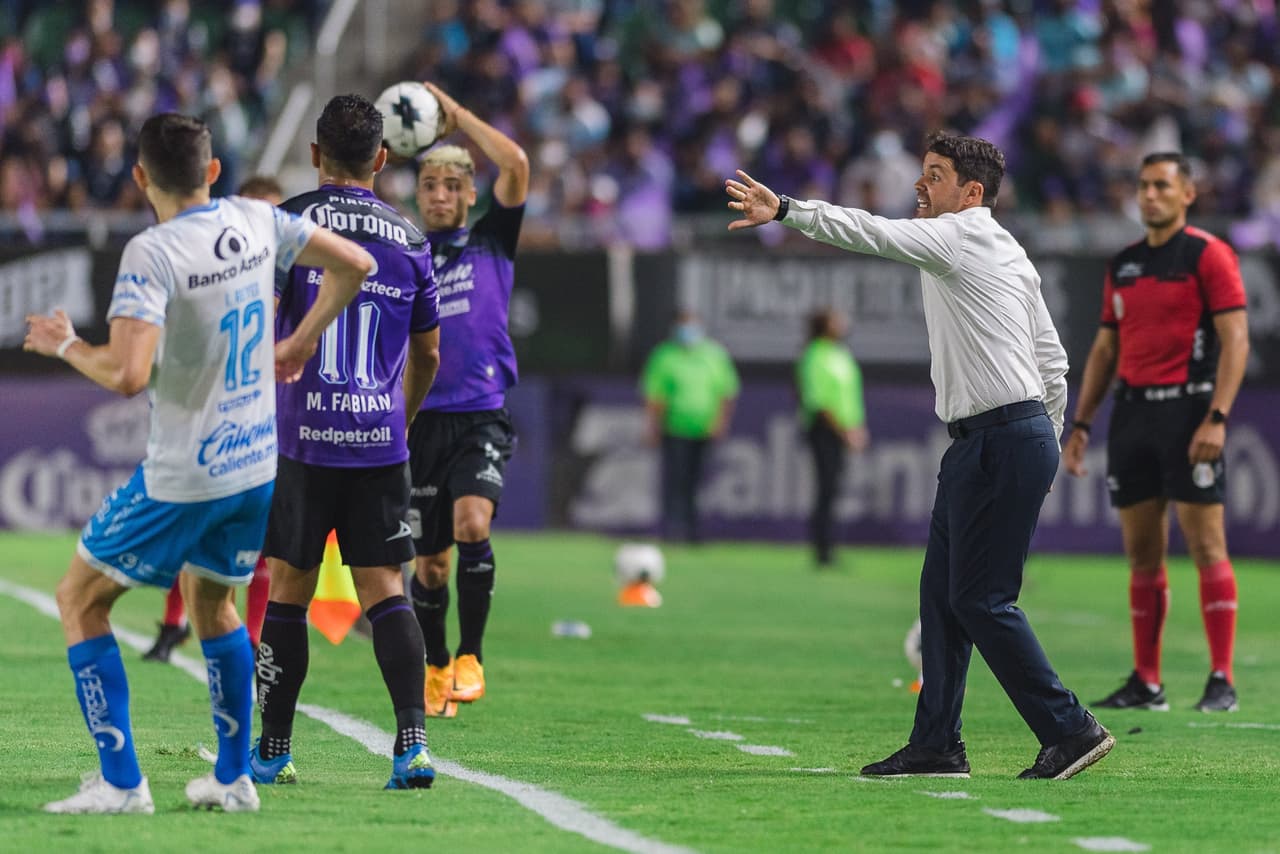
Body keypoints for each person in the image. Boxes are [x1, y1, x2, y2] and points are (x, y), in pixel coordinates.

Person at [725, 132, 1114, 780]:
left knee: (982, 601)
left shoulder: (960, 236)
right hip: (992, 441)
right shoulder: (1012, 252)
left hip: (996, 439)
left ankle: (1069, 728)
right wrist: (1045, 438)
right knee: (941, 598)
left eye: (932, 176)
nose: (918, 187)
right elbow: (1053, 361)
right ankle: (936, 744)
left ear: (970, 193)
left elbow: (872, 234)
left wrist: (790, 211)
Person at [25, 112, 372, 813]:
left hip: (186, 472)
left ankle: (122, 785)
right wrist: (301, 340)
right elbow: (357, 264)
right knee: (214, 605)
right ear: (214, 172)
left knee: (79, 599)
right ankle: (234, 777)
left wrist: (64, 345)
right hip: (253, 468)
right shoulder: (255, 217)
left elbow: (128, 375)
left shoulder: (152, 253)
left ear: (140, 178)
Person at [250, 94, 442, 789]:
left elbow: (264, 323)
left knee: (290, 594)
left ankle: (273, 751)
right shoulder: (412, 239)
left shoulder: (289, 223)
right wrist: (404, 417)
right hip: (378, 440)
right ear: (382, 159)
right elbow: (428, 355)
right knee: (386, 589)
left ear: (313, 155)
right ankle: (413, 744)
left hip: (304, 438)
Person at [1064, 152, 1249, 713]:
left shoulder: (1208, 256)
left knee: (1206, 545)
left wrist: (1217, 416)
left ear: (1187, 194)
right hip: (1133, 416)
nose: (1150, 195)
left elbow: (1236, 340)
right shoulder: (1122, 264)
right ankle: (1148, 682)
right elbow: (1104, 349)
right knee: (1142, 554)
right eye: (1143, 186)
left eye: (1162, 186)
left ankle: (1222, 679)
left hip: (1189, 412)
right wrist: (1082, 423)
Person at [405, 81, 529, 720]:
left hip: (481, 411)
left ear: (469, 194)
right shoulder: (403, 255)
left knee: (472, 525)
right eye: (431, 186)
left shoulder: (490, 241)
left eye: (454, 186)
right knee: (428, 567)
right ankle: (435, 665)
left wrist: (456, 117)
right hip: (420, 423)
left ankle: (472, 656)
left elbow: (517, 165)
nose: (442, 196)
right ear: (419, 194)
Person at [142, 174, 287, 665]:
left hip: (267, 421)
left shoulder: (292, 277)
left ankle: (251, 635)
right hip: (208, 418)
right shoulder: (207, 270)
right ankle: (176, 622)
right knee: (195, 528)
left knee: (262, 543)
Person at [640, 311, 740, 544]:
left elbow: (727, 392)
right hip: (674, 427)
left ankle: (694, 531)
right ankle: (673, 530)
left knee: (696, 481)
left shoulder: (714, 355)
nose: (688, 333)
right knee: (676, 480)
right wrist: (653, 427)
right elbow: (655, 395)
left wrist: (720, 422)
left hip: (703, 428)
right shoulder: (664, 356)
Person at [796, 308, 868, 567]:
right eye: (836, 320)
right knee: (826, 488)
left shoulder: (841, 354)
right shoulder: (815, 355)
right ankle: (822, 550)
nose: (842, 323)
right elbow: (820, 401)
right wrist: (844, 430)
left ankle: (829, 547)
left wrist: (856, 427)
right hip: (825, 429)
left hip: (843, 430)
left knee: (833, 488)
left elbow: (850, 395)